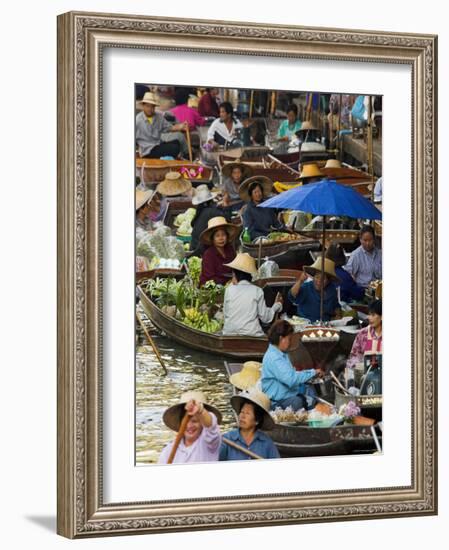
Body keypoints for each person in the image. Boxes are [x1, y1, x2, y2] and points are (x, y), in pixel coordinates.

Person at [261, 320, 324, 410]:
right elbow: (291, 379)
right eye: (289, 339)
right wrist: (313, 372)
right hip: (277, 401)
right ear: (281, 339)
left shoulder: (280, 353)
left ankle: (312, 406)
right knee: (298, 402)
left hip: (287, 394)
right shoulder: (274, 358)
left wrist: (309, 374)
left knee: (310, 389)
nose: (290, 342)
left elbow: (291, 374)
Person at [222, 253, 283, 337]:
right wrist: (277, 305)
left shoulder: (229, 290)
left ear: (234, 274)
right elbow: (266, 318)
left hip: (228, 334)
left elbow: (225, 314)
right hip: (251, 335)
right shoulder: (257, 291)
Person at [158, 391, 222, 464]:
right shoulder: (168, 450)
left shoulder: (210, 444)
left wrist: (200, 411)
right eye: (186, 422)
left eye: (194, 421)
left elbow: (211, 427)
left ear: (202, 424)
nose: (189, 426)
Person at [219, 389, 280, 460]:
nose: (242, 416)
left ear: (257, 420)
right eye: (242, 412)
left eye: (247, 413)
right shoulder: (227, 439)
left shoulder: (266, 443)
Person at [136, 91, 188, 158]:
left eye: (152, 107)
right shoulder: (138, 120)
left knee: (177, 142)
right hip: (147, 151)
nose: (150, 109)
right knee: (175, 148)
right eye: (147, 106)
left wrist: (181, 126)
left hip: (157, 145)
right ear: (143, 106)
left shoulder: (158, 117)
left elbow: (170, 128)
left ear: (154, 107)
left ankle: (183, 157)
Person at [288, 257, 341, 323]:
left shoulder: (331, 289)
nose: (319, 281)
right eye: (317, 277)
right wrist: (300, 280)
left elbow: (336, 305)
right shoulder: (307, 287)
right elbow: (291, 295)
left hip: (325, 324)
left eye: (323, 279)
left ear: (328, 281)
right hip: (306, 324)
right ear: (313, 277)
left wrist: (338, 316)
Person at [240, 176, 287, 240]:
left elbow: (275, 223)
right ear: (251, 195)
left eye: (259, 191)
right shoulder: (248, 210)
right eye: (255, 192)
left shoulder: (267, 205)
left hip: (270, 236)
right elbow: (249, 232)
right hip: (258, 239)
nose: (258, 194)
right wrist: (266, 237)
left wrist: (285, 228)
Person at [198, 216, 238, 286]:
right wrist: (227, 282)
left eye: (223, 235)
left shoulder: (230, 249)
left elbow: (236, 266)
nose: (221, 238)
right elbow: (210, 278)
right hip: (211, 287)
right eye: (217, 236)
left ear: (227, 236)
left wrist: (235, 276)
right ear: (212, 239)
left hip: (230, 283)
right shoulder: (208, 254)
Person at [190, 185, 229, 252]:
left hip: (194, 246)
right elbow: (227, 220)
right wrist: (225, 204)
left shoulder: (200, 209)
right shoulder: (211, 211)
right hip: (201, 249)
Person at [346, 299, 382, 370]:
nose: (369, 317)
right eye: (369, 314)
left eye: (373, 315)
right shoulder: (363, 333)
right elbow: (353, 356)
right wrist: (359, 364)